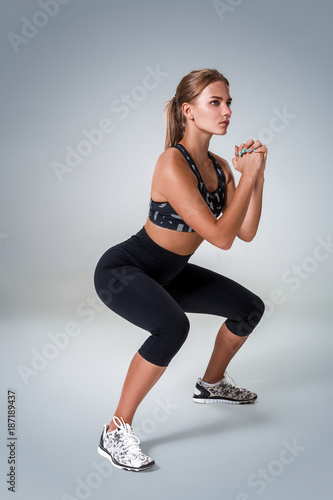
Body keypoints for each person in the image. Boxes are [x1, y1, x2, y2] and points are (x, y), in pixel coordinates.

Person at [94, 68, 267, 472]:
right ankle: (115, 429)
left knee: (249, 308)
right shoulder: (172, 163)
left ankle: (211, 383)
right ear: (188, 111)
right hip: (125, 270)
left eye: (228, 103)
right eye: (215, 103)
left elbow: (245, 232)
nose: (226, 111)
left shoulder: (221, 168)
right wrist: (251, 177)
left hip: (171, 272)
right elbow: (221, 238)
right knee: (172, 327)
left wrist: (255, 179)